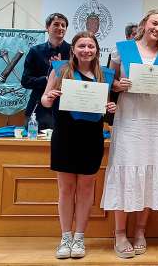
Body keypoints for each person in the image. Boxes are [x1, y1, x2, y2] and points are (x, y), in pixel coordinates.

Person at [100, 10, 158, 258]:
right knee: (126, 169)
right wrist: (116, 85)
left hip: (156, 119)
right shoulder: (121, 49)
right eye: (154, 23)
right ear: (144, 24)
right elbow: (109, 83)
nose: (157, 28)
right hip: (130, 118)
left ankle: (141, 230)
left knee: (149, 169)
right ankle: (120, 233)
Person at [40, 31, 116, 259]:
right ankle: (65, 237)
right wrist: (50, 97)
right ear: (73, 49)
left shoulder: (105, 75)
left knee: (85, 190)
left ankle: (79, 237)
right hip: (65, 135)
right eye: (81, 46)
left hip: (91, 136)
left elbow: (108, 107)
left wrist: (111, 108)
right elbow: (44, 99)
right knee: (65, 189)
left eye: (90, 46)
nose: (86, 50)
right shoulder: (60, 70)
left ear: (96, 50)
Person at [21, 13, 70, 129]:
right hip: (38, 108)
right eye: (56, 24)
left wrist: (61, 71)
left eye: (63, 25)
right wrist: (48, 79)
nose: (61, 28)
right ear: (47, 27)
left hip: (65, 107)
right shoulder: (35, 51)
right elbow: (25, 81)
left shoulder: (73, 51)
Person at [105, 23, 138, 125]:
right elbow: (110, 80)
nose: (138, 37)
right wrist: (120, 85)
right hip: (122, 102)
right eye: (134, 34)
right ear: (127, 37)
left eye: (140, 34)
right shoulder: (118, 52)